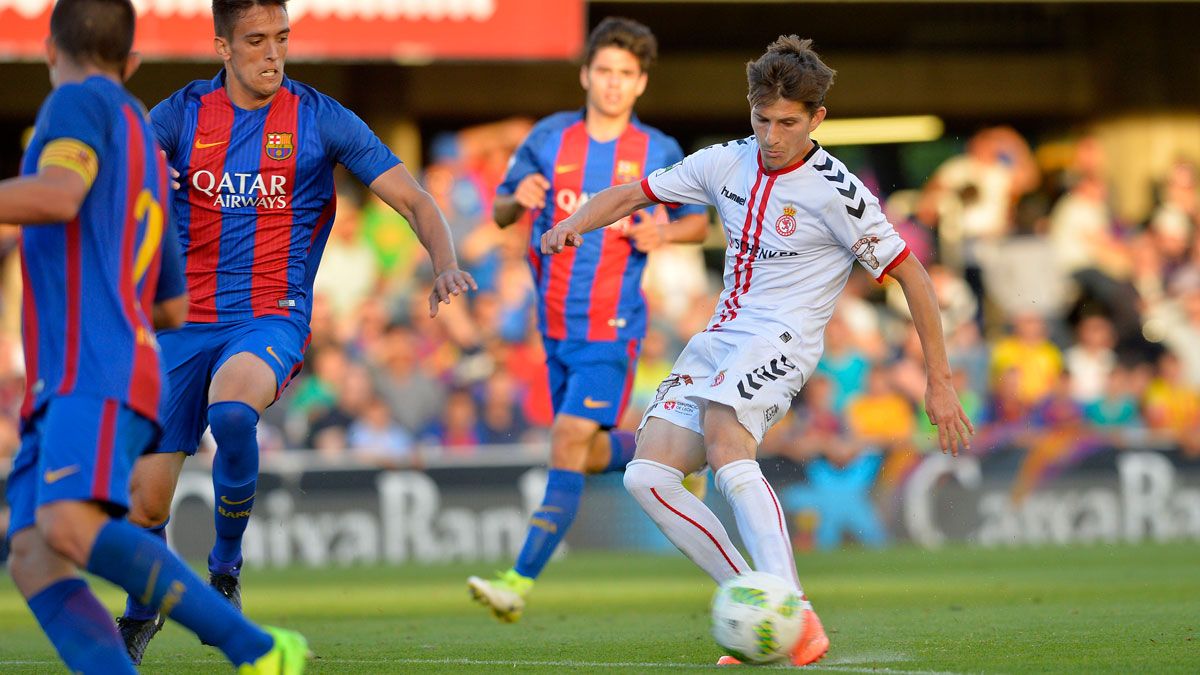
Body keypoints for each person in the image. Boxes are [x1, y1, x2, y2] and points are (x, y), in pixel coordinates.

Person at [542, 36, 974, 666]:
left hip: (782, 339)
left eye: (788, 123)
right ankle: (757, 601)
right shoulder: (725, 162)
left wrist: (939, 380)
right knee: (648, 475)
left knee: (724, 441)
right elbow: (632, 194)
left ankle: (793, 611)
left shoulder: (837, 190)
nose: (772, 136)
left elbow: (913, 275)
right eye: (763, 119)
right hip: (718, 339)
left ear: (816, 119)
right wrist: (571, 224)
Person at [116, 0, 476, 661]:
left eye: (281, 38)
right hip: (179, 323)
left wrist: (445, 261)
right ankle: (141, 611)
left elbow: (414, 199)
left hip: (269, 315)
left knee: (232, 410)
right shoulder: (183, 113)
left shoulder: (318, 117)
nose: (272, 54)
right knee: (146, 502)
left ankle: (224, 568)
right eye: (255, 41)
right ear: (222, 46)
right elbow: (124, 163)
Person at [2, 1, 307, 672]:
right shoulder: (142, 135)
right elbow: (171, 302)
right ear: (132, 61)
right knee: (28, 549)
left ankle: (253, 645)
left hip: (92, 364)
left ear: (50, 52)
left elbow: (56, 195)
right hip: (95, 366)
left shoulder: (79, 101)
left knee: (67, 526)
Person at [466, 17, 709, 622]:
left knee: (567, 439)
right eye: (604, 71)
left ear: (641, 83)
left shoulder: (657, 152)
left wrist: (666, 230)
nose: (613, 84)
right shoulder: (549, 138)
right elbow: (499, 210)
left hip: (613, 326)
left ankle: (518, 582)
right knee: (587, 449)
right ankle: (675, 455)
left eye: (625, 74)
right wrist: (512, 201)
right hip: (552, 328)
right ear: (585, 74)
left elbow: (700, 223)